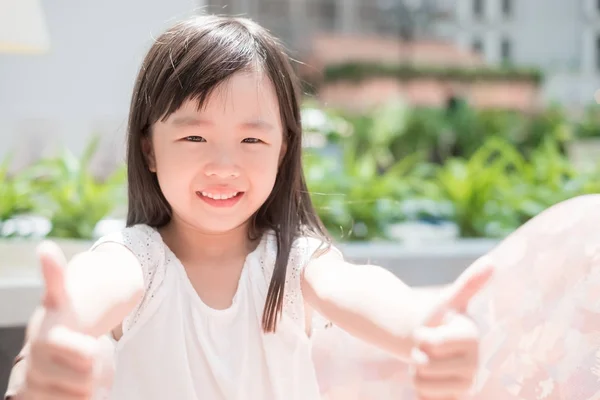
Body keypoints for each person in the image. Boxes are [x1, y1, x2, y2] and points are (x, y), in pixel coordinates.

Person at [6, 14, 600, 400]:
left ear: (285, 148)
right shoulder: (141, 261)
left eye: (253, 139)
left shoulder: (289, 262)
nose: (224, 164)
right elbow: (86, 294)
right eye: (193, 137)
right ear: (149, 150)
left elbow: (357, 289)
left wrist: (425, 329)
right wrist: (42, 359)